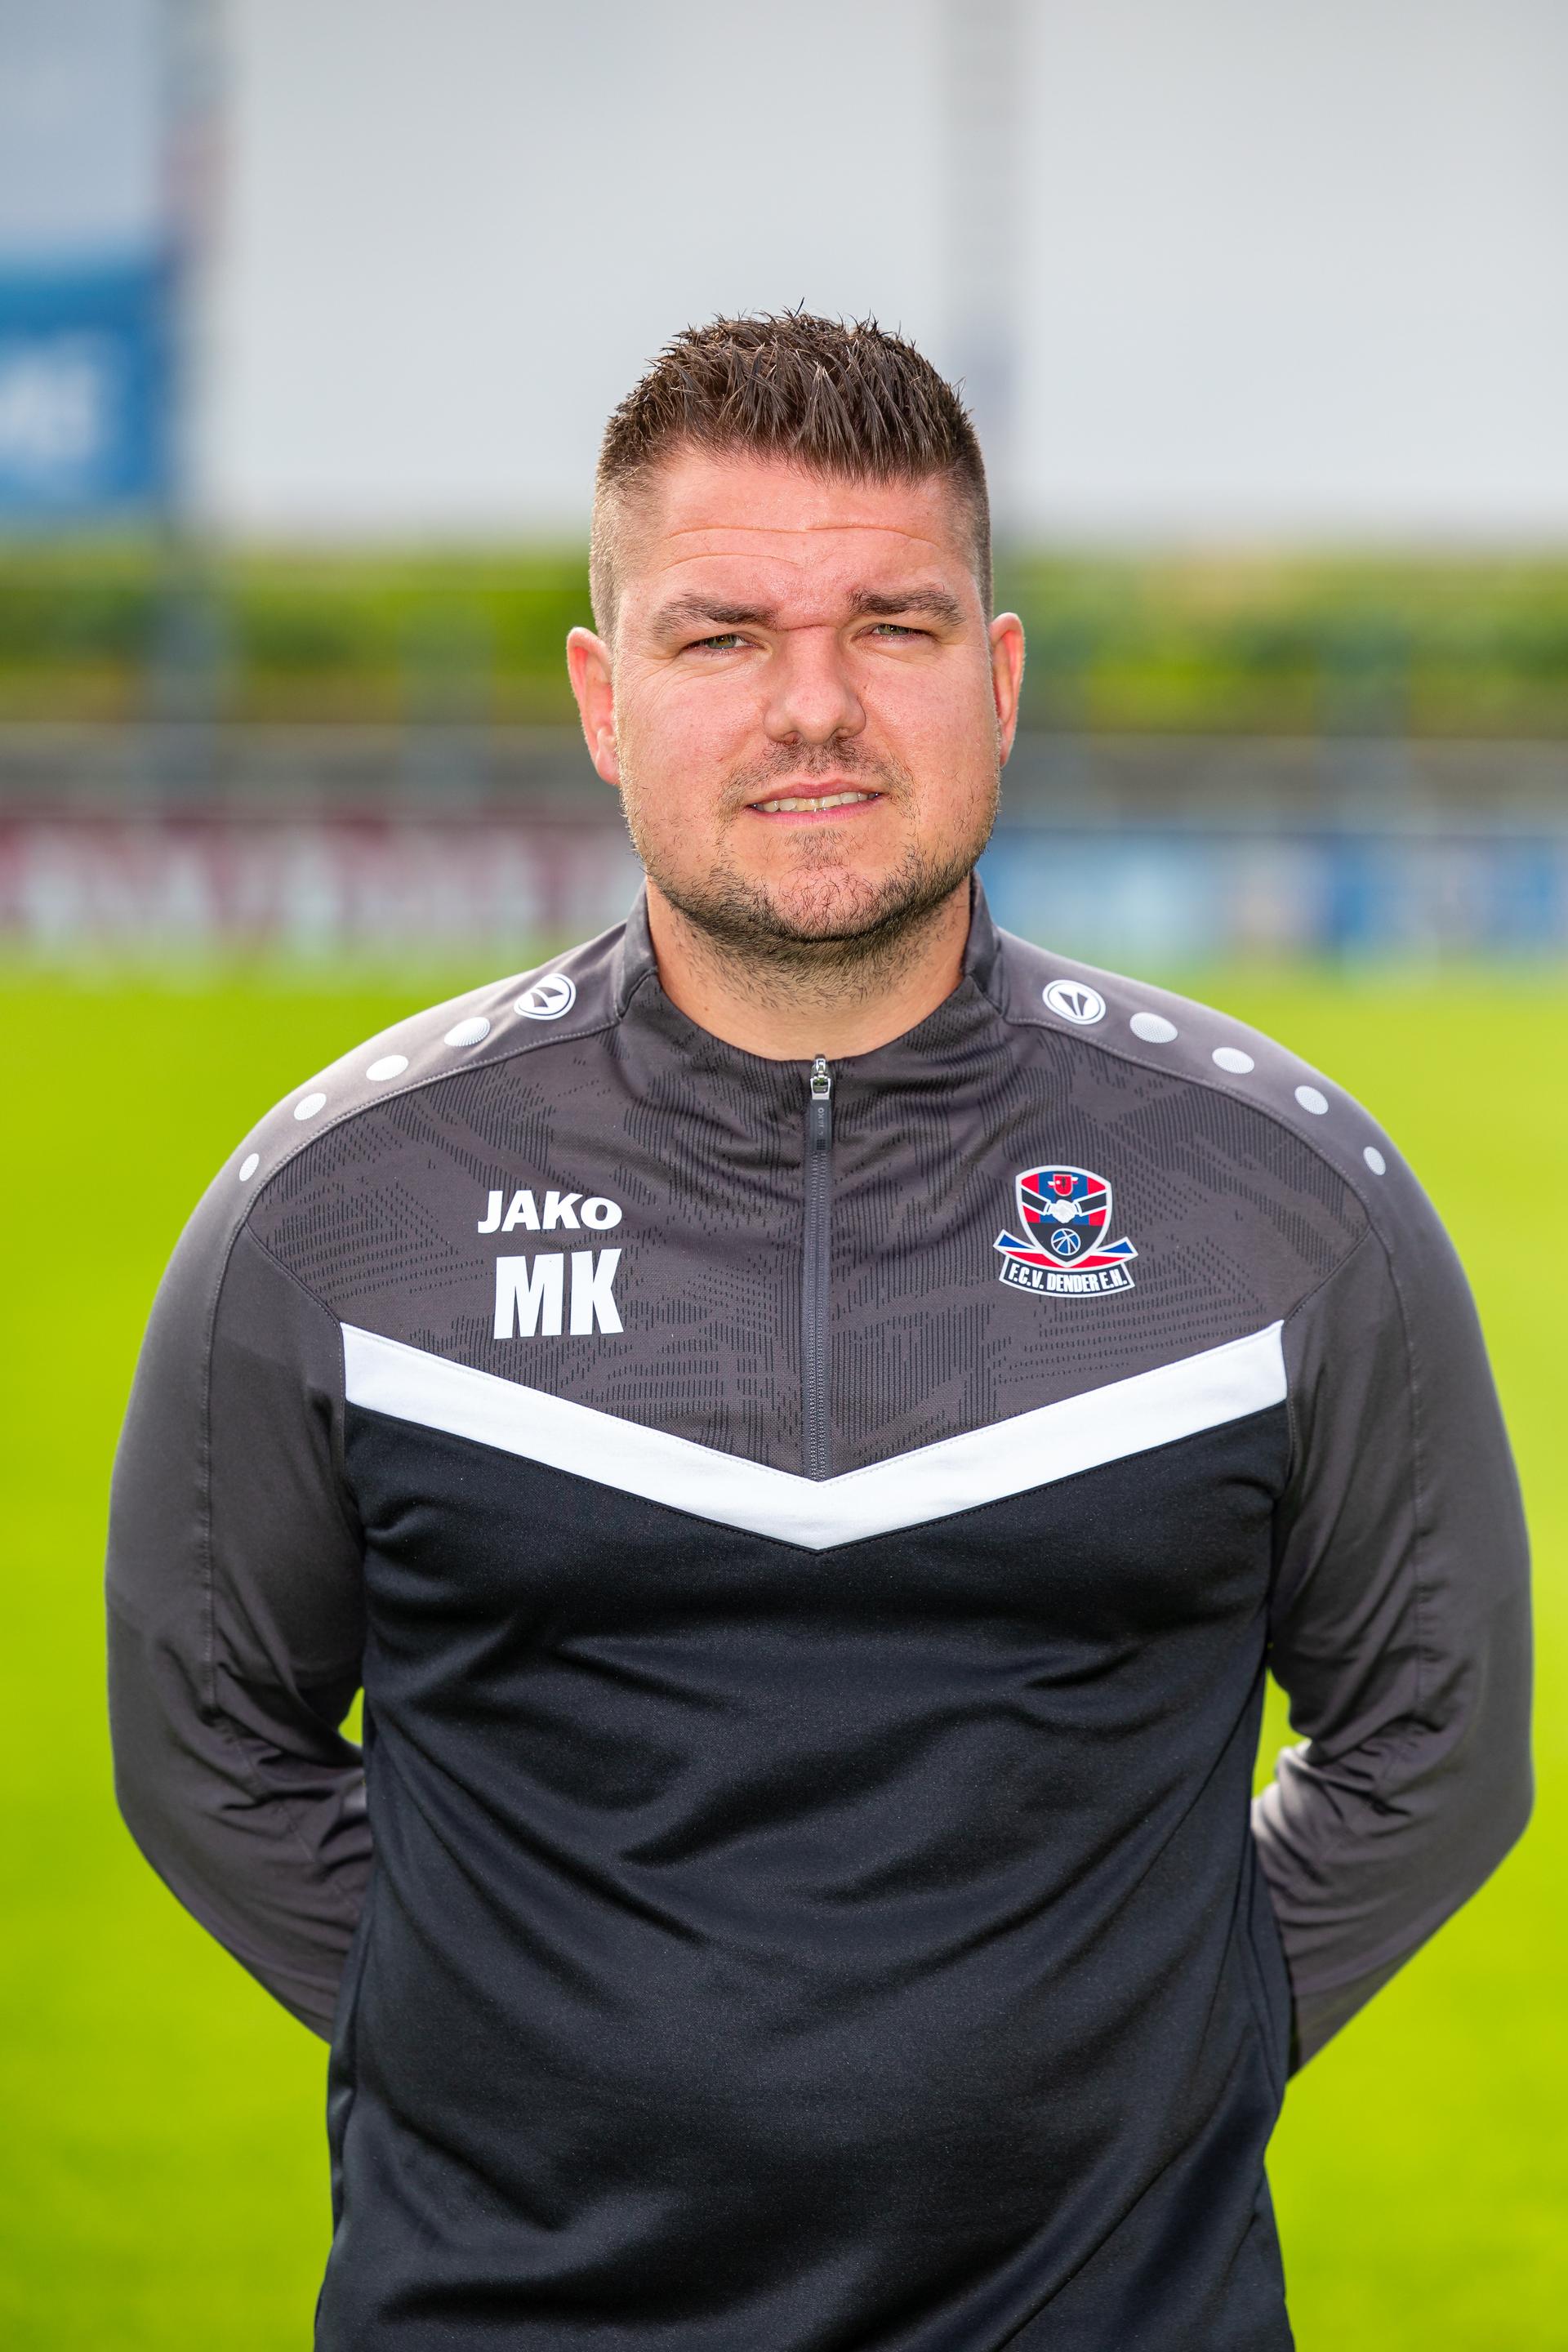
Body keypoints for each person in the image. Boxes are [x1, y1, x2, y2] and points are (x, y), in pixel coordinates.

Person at [107, 314, 1531, 2350]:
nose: (814, 707)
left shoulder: (1283, 1200)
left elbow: (1437, 1743)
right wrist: (492, 2032)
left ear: (1000, 679)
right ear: (603, 700)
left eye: (893, 626)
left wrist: (1180, 2030)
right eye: (721, 636)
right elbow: (207, 1746)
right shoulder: (337, 1214)